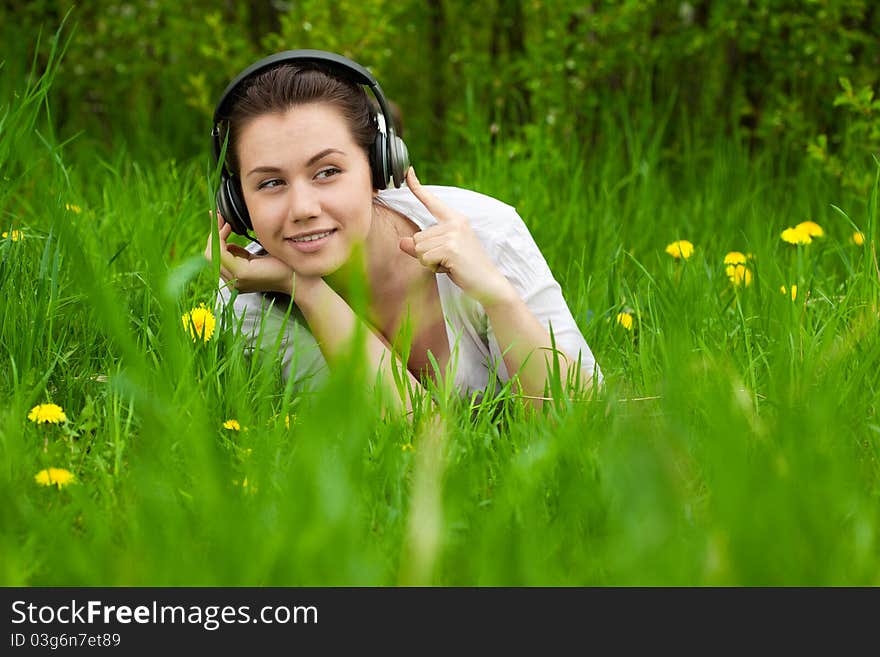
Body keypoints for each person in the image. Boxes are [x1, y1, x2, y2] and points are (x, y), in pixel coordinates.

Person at [204, 50, 601, 415]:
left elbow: (583, 419)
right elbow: (418, 441)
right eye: (271, 183)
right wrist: (305, 289)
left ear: (379, 170)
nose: (303, 209)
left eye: (327, 172)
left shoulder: (484, 231)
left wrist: (497, 297)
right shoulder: (247, 309)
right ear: (237, 202)